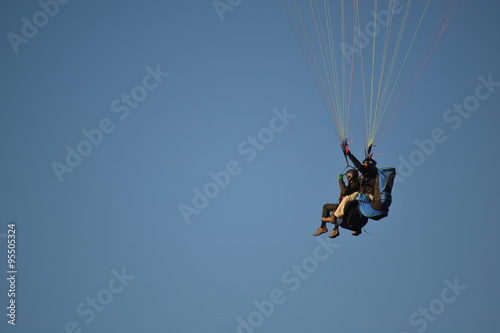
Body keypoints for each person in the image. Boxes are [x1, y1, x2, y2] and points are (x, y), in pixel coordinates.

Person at [327, 150, 379, 235]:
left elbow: (358, 166)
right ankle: (352, 226)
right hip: (367, 196)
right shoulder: (372, 173)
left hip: (368, 196)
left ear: (369, 165)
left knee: (347, 198)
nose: (363, 166)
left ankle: (335, 216)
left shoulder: (370, 172)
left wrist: (349, 154)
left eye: (365, 164)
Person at [313, 169, 360, 238]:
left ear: (350, 177)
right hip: (349, 205)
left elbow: (344, 192)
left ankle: (323, 227)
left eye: (347, 177)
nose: (347, 179)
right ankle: (334, 229)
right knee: (337, 210)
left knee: (326, 206)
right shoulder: (355, 183)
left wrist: (340, 180)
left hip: (350, 206)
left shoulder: (355, 184)